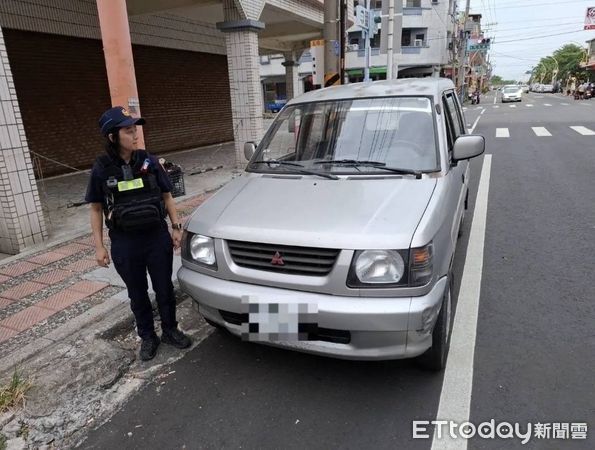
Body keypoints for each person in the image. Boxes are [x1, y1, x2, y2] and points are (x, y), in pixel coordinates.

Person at [85, 106, 191, 361]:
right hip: (125, 242)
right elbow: (96, 208)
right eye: (128, 130)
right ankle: (147, 336)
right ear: (112, 136)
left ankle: (169, 330)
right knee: (137, 292)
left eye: (135, 129)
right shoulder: (101, 168)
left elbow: (167, 195)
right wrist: (99, 247)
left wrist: (176, 228)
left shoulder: (150, 161)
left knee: (164, 287)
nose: (135, 135)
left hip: (156, 236)